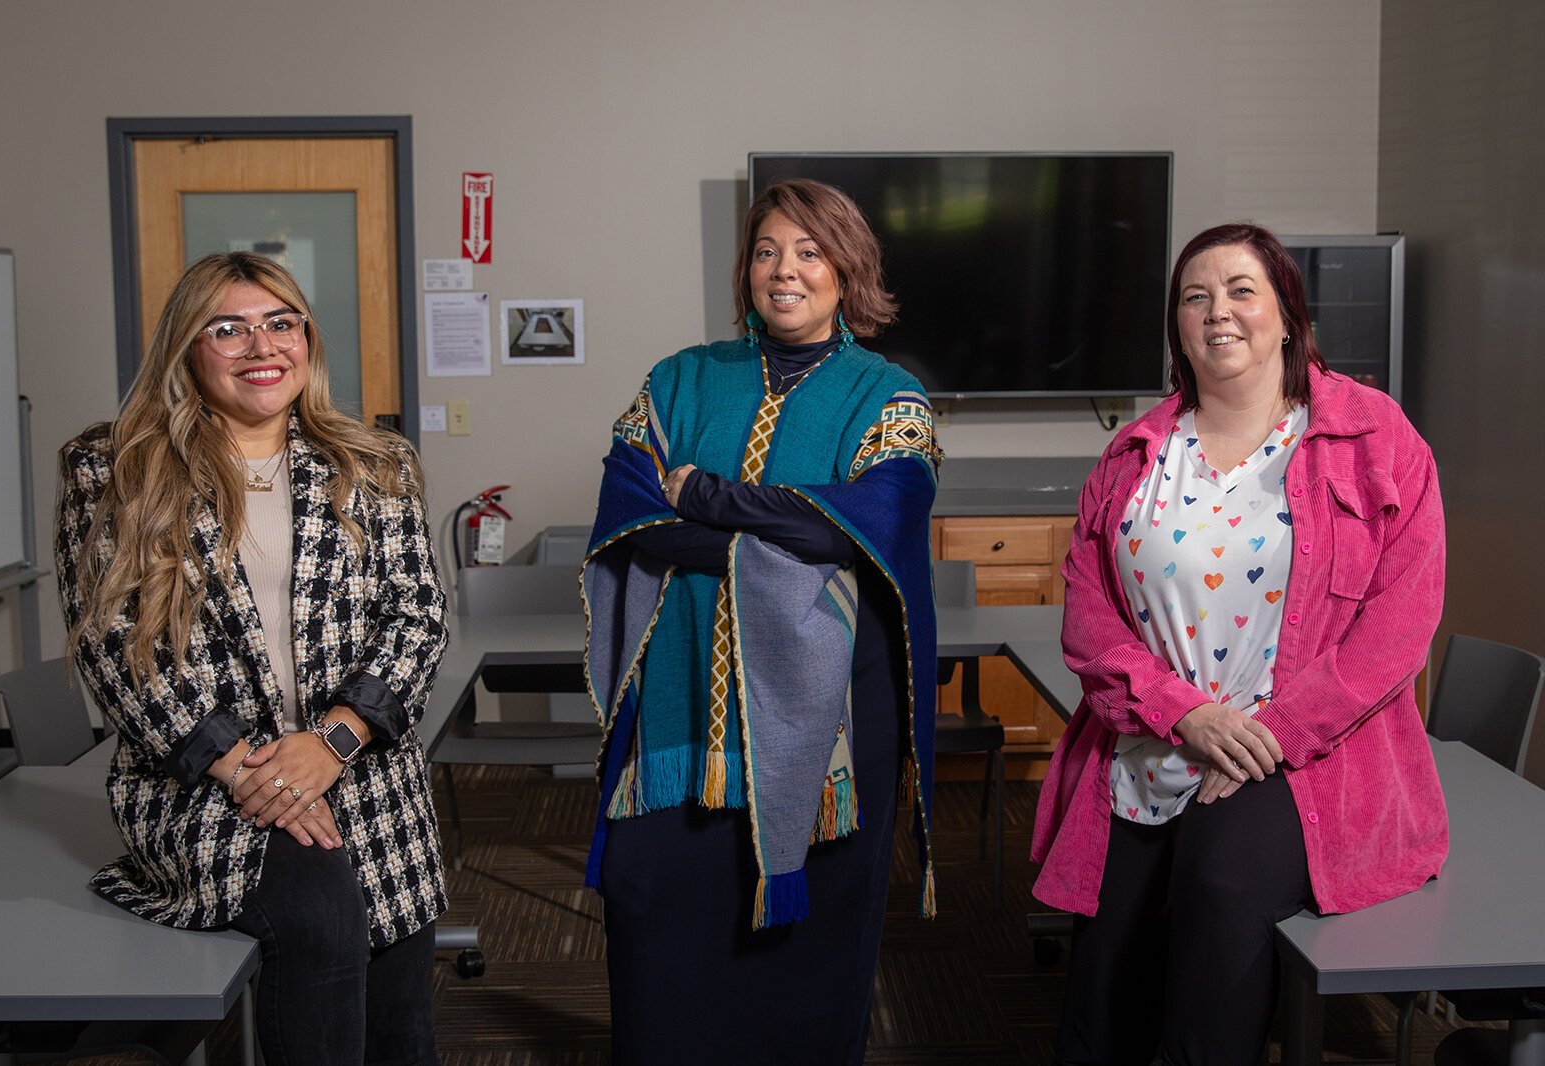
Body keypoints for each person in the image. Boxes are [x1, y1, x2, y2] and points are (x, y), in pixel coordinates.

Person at [1032, 221, 1448, 1064]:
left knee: (1215, 894)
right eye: (1195, 296)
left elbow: (1398, 627)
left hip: (1300, 760)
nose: (1218, 311)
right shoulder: (1133, 457)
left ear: (1288, 315)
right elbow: (1089, 620)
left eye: (1241, 290)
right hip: (1155, 744)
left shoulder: (1376, 438)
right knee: (1103, 985)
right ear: (1177, 326)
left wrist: (1268, 735)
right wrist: (1185, 716)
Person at [579, 178, 943, 1065]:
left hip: (830, 730)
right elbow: (627, 513)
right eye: (768, 251)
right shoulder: (680, 378)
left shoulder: (890, 396)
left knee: (809, 959)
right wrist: (785, 541)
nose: (785, 271)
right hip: (674, 722)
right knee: (660, 927)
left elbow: (859, 526)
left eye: (810, 252)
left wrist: (702, 497)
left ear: (847, 269)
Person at [56, 252, 449, 1066]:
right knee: (320, 911)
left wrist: (334, 742)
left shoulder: (377, 464)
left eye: (279, 323)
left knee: (399, 1022)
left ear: (306, 339)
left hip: (366, 770)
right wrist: (249, 770)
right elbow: (113, 643)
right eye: (226, 328)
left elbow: (417, 617)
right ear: (186, 348)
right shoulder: (115, 468)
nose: (258, 346)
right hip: (204, 782)